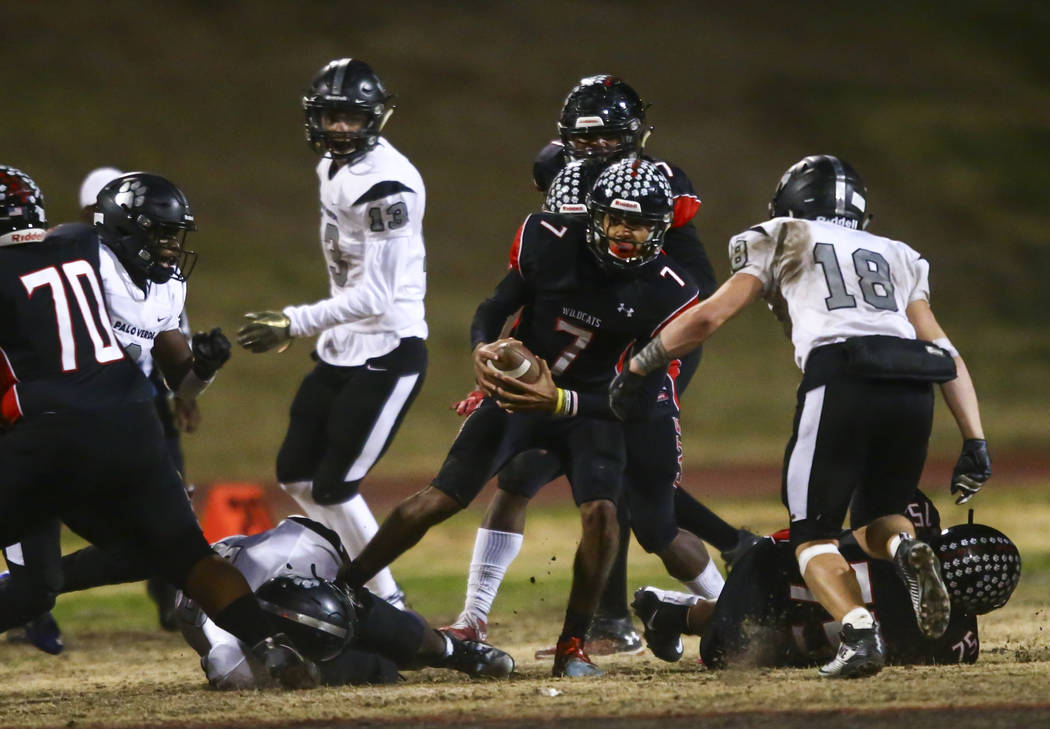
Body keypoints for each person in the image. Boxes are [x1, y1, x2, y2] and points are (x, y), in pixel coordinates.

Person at [611, 154, 993, 678]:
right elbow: (947, 355)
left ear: (793, 204)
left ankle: (858, 633)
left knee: (813, 533)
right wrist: (974, 439)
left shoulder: (784, 234)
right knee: (883, 515)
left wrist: (640, 364)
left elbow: (709, 316)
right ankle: (906, 548)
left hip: (842, 375)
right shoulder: (899, 254)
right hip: (914, 383)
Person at [340, 158, 703, 678]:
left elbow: (641, 398)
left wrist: (562, 403)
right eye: (616, 219)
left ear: (661, 228)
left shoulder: (671, 290)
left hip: (591, 407)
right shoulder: (549, 238)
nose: (626, 232)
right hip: (518, 394)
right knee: (439, 498)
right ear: (592, 217)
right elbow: (496, 305)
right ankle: (344, 592)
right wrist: (482, 349)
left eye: (641, 222)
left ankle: (572, 646)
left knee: (603, 514)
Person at [445, 75, 756, 658]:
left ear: (635, 136)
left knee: (631, 487)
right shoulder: (558, 175)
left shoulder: (655, 182)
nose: (598, 151)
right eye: (585, 141)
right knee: (535, 473)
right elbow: (549, 286)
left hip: (654, 326)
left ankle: (725, 592)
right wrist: (508, 356)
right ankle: (498, 617)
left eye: (611, 138)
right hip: (578, 338)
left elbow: (658, 280)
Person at [0, 165, 316, 689]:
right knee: (181, 554)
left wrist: (201, 369)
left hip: (49, 434)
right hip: (130, 422)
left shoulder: (82, 247)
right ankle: (270, 646)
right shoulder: (78, 247)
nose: (171, 246)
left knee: (41, 584)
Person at [1, 168, 233, 647]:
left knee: (153, 549)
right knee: (35, 586)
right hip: (48, 424)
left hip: (123, 416)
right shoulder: (81, 266)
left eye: (174, 235)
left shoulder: (165, 286)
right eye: (160, 233)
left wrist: (203, 370)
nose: (170, 246)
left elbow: (179, 379)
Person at [236, 58, 427, 611]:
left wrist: (293, 322)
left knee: (335, 486)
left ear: (375, 118)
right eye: (332, 116)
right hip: (343, 346)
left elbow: (377, 295)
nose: (340, 127)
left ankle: (387, 600)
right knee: (296, 473)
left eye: (351, 117)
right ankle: (350, 582)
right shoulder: (330, 169)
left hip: (389, 347)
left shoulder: (387, 184)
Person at [632, 493, 1021, 669]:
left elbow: (864, 495)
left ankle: (667, 613)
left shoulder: (917, 519)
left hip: (771, 568)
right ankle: (672, 613)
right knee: (760, 643)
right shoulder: (955, 646)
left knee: (746, 646)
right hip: (777, 588)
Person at [177, 516, 514, 688]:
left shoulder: (309, 546)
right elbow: (227, 669)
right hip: (224, 599)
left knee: (369, 613)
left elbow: (351, 586)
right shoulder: (229, 647)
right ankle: (367, 664)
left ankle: (450, 649)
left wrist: (353, 602)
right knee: (360, 669)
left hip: (278, 568)